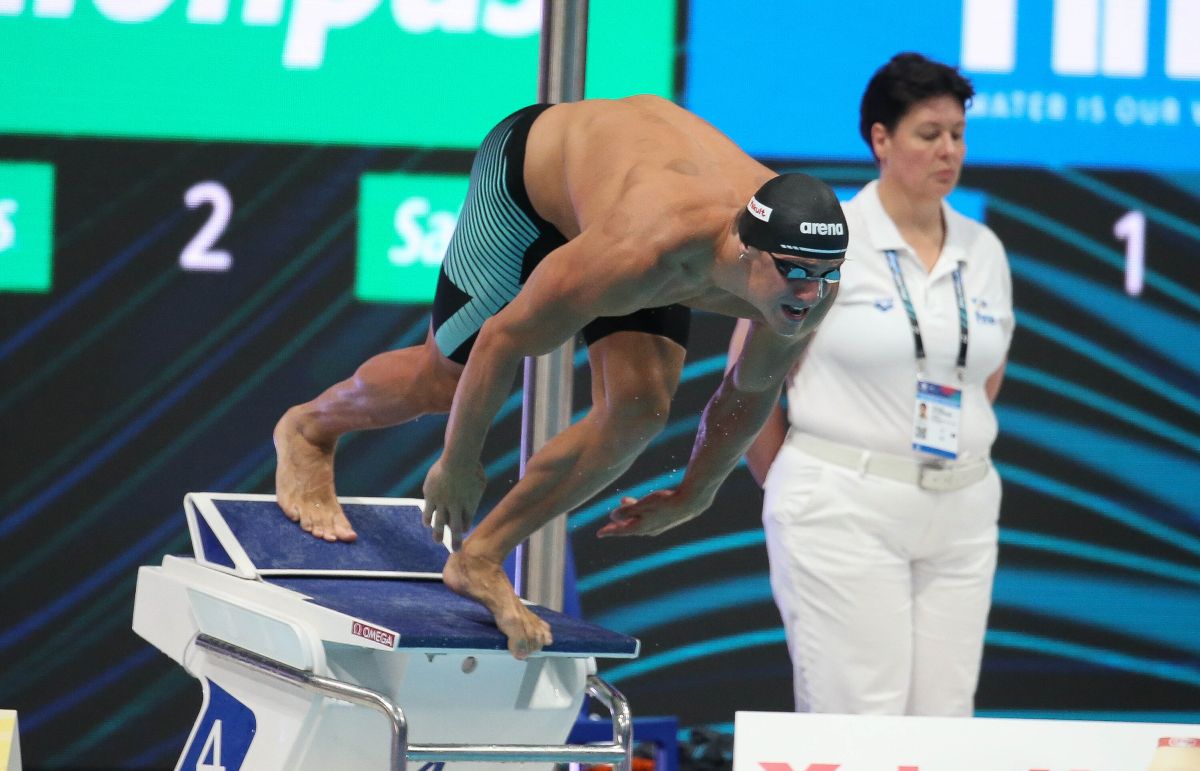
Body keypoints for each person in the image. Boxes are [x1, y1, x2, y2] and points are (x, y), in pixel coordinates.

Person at [273, 95, 849, 659]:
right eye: (794, 272)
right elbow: (503, 339)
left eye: (823, 275)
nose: (808, 291)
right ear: (748, 251)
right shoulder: (642, 250)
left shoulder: (810, 288)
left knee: (638, 410)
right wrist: (458, 461)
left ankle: (478, 559)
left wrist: (695, 491)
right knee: (445, 381)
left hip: (619, 201)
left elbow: (748, 390)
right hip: (529, 184)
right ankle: (309, 428)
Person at [728, 53, 1014, 715]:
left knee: (945, 728)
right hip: (843, 503)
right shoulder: (831, 239)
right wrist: (803, 484)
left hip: (963, 508)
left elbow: (982, 377)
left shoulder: (984, 248)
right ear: (880, 139)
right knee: (860, 725)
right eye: (928, 133)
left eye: (957, 134)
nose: (949, 149)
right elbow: (748, 379)